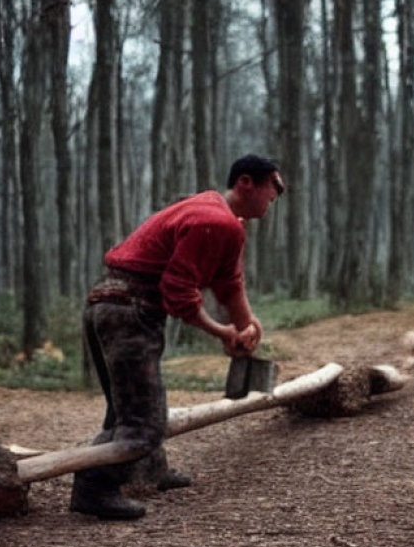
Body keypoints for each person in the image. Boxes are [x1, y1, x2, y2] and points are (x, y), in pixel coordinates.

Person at [70, 154, 285, 520]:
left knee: (128, 408)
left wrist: (247, 325)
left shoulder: (220, 218)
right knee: (143, 423)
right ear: (246, 183)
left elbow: (228, 284)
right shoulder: (215, 220)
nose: (275, 197)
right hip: (128, 310)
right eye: (273, 188)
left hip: (110, 307)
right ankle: (93, 488)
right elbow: (178, 291)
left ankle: (151, 469)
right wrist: (220, 331)